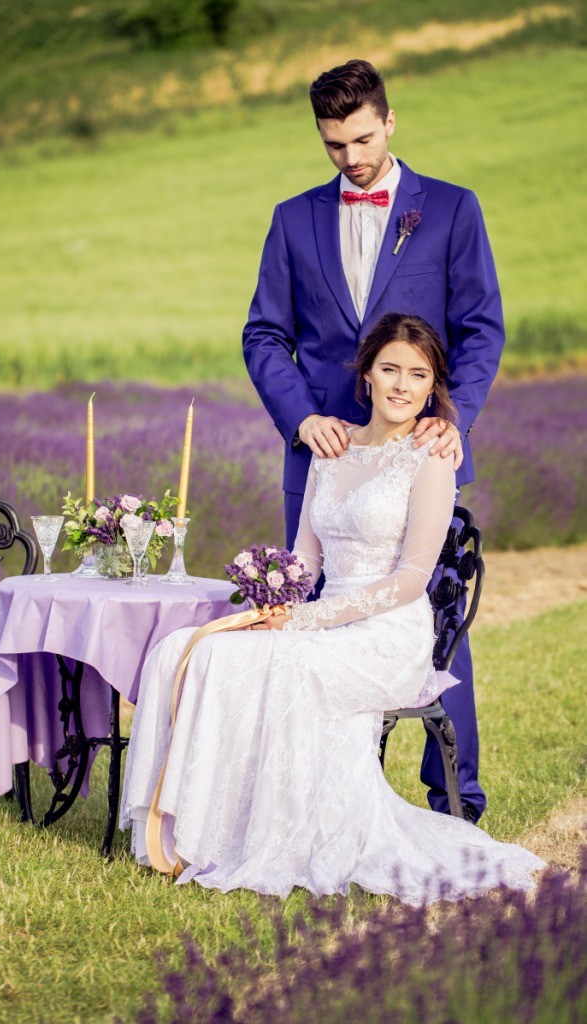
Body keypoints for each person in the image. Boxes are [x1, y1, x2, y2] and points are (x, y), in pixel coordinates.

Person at [121, 314, 543, 902]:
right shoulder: (332, 450)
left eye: (418, 375)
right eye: (390, 369)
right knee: (188, 650)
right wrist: (274, 598)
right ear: (366, 374)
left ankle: (284, 837)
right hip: (326, 618)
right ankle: (198, 830)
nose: (402, 385)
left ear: (432, 387)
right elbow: (306, 561)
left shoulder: (429, 458)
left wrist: (307, 619)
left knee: (291, 664)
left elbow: (410, 581)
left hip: (388, 632)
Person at [242, 59, 505, 824]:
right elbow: (263, 335)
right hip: (324, 459)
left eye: (362, 139)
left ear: (389, 122)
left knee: (437, 627)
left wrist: (452, 418)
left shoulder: (450, 209)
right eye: (333, 144)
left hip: (418, 456)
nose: (350, 157)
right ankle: (316, 805)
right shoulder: (292, 219)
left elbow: (480, 328)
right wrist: (301, 417)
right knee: (306, 623)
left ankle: (454, 802)